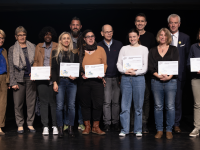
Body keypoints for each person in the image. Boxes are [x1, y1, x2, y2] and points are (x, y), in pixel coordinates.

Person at [117, 29, 148, 137]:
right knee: (125, 105)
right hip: (126, 78)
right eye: (130, 37)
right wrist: (125, 71)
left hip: (139, 79)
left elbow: (145, 67)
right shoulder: (124, 48)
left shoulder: (144, 49)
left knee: (138, 106)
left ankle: (138, 129)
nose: (132, 39)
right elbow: (119, 64)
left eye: (134, 36)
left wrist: (135, 73)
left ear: (138, 36)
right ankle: (124, 129)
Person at [148, 28, 179, 139]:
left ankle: (169, 130)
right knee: (158, 107)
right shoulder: (152, 50)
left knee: (170, 106)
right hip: (156, 81)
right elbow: (150, 67)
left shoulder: (173, 49)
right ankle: (160, 129)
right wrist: (158, 75)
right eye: (160, 35)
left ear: (167, 37)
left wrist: (169, 76)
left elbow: (176, 64)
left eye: (165, 35)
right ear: (158, 36)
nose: (162, 37)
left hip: (171, 81)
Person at [130, 13, 156, 133]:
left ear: (145, 23)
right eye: (138, 21)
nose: (140, 23)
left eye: (142, 21)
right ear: (135, 23)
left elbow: (152, 56)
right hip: (130, 74)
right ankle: (132, 123)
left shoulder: (150, 36)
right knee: (131, 100)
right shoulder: (130, 36)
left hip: (146, 75)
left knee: (145, 99)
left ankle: (143, 123)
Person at [78, 29, 107, 135]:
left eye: (92, 36)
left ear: (95, 38)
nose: (90, 38)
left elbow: (104, 64)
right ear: (84, 39)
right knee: (85, 104)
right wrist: (81, 73)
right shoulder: (79, 50)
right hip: (84, 81)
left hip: (97, 81)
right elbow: (77, 65)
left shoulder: (100, 49)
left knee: (98, 104)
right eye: (88, 36)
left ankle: (95, 127)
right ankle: (87, 127)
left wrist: (102, 73)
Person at [8, 26, 36, 133]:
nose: (22, 37)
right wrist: (13, 82)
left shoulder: (32, 46)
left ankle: (30, 123)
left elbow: (36, 62)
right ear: (16, 37)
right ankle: (20, 124)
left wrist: (36, 74)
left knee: (31, 103)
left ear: (26, 35)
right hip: (18, 79)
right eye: (19, 35)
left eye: (23, 35)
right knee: (18, 103)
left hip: (31, 78)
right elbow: (10, 66)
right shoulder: (12, 49)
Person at [51, 32, 79, 138]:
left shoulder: (74, 53)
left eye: (68, 38)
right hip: (60, 82)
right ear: (60, 40)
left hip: (72, 82)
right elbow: (53, 69)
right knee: (59, 106)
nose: (66, 40)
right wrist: (54, 82)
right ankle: (60, 128)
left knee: (71, 105)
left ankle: (71, 127)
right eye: (64, 38)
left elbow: (78, 67)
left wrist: (75, 76)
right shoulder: (55, 53)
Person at [33, 26, 58, 135]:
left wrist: (54, 75)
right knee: (43, 102)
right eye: (45, 34)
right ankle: (45, 126)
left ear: (52, 35)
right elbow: (35, 61)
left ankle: (55, 125)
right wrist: (34, 73)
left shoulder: (57, 45)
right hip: (41, 78)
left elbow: (58, 63)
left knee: (53, 102)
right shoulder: (38, 46)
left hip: (53, 79)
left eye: (49, 34)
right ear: (43, 36)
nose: (48, 36)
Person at [168, 14, 190, 133]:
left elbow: (187, 57)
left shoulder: (185, 38)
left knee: (177, 101)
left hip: (179, 75)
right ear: (168, 24)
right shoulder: (164, 37)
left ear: (179, 24)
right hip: (165, 74)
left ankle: (176, 123)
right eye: (171, 23)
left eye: (175, 23)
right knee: (166, 101)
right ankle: (167, 124)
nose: (173, 25)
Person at [98, 24, 123, 131]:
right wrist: (101, 77)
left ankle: (116, 122)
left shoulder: (119, 44)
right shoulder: (98, 46)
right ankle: (107, 123)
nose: (108, 33)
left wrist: (121, 76)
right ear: (102, 33)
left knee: (116, 102)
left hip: (117, 77)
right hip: (105, 78)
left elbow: (123, 61)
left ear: (112, 32)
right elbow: (97, 63)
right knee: (107, 102)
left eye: (110, 31)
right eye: (106, 32)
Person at [63, 17, 85, 132]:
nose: (75, 26)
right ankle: (67, 122)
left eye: (77, 25)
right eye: (73, 25)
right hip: (68, 73)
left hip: (81, 73)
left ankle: (81, 122)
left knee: (81, 100)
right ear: (70, 26)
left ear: (80, 27)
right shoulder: (65, 38)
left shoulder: (84, 39)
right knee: (68, 100)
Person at [187, 28, 200, 137]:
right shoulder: (193, 47)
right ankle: (197, 127)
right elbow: (188, 63)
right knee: (197, 104)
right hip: (196, 78)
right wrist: (195, 68)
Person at [0, 29, 9, 135]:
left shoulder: (4, 50)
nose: (1, 40)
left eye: (2, 38)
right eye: (0, 37)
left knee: (2, 103)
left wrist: (8, 80)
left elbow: (8, 67)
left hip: (3, 78)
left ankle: (0, 126)